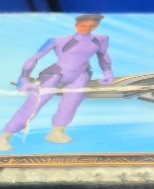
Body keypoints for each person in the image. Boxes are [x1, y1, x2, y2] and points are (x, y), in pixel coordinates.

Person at [1, 13, 114, 148]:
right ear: (76, 25)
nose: (87, 29)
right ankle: (5, 136)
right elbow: (34, 58)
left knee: (70, 105)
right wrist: (24, 78)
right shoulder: (58, 40)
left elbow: (103, 56)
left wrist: (107, 72)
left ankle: (56, 132)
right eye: (84, 26)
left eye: (92, 26)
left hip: (81, 74)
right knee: (34, 104)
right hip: (56, 74)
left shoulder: (101, 39)